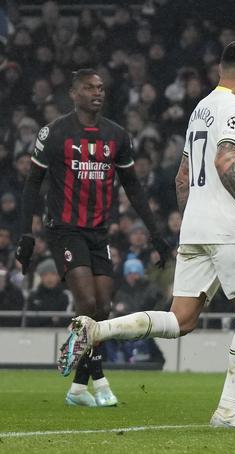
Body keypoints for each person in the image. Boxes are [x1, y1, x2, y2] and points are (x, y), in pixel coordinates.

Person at [57, 41, 235, 429]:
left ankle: (96, 328)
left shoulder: (200, 109)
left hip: (195, 226)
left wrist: (194, 220)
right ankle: (227, 411)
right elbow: (226, 161)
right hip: (230, 225)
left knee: (181, 320)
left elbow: (182, 178)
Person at [14, 68, 171, 408]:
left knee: (103, 308)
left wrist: (156, 234)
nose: (97, 92)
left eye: (100, 87)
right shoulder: (54, 133)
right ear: (73, 93)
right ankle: (99, 378)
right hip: (64, 229)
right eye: (89, 87)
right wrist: (26, 234)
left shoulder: (117, 135)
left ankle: (78, 388)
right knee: (86, 304)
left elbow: (133, 186)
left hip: (98, 231)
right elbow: (32, 184)